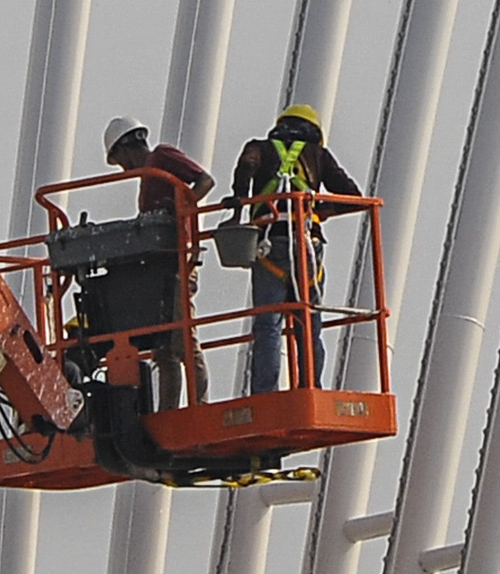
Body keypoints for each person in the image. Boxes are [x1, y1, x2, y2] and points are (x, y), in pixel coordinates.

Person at [228, 104, 360, 394]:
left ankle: (265, 392)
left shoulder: (259, 147)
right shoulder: (318, 155)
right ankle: (311, 386)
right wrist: (323, 210)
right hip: (307, 244)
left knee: (268, 325)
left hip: (269, 241)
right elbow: (353, 196)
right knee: (308, 319)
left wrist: (238, 200)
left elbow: (247, 166)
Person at [99, 117, 211, 411]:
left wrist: (182, 207)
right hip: (159, 267)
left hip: (178, 262)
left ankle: (200, 405)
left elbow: (204, 181)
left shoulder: (162, 157)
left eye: (120, 160)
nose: (123, 169)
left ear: (126, 148)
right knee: (162, 347)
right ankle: (169, 411)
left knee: (183, 339)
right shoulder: (149, 177)